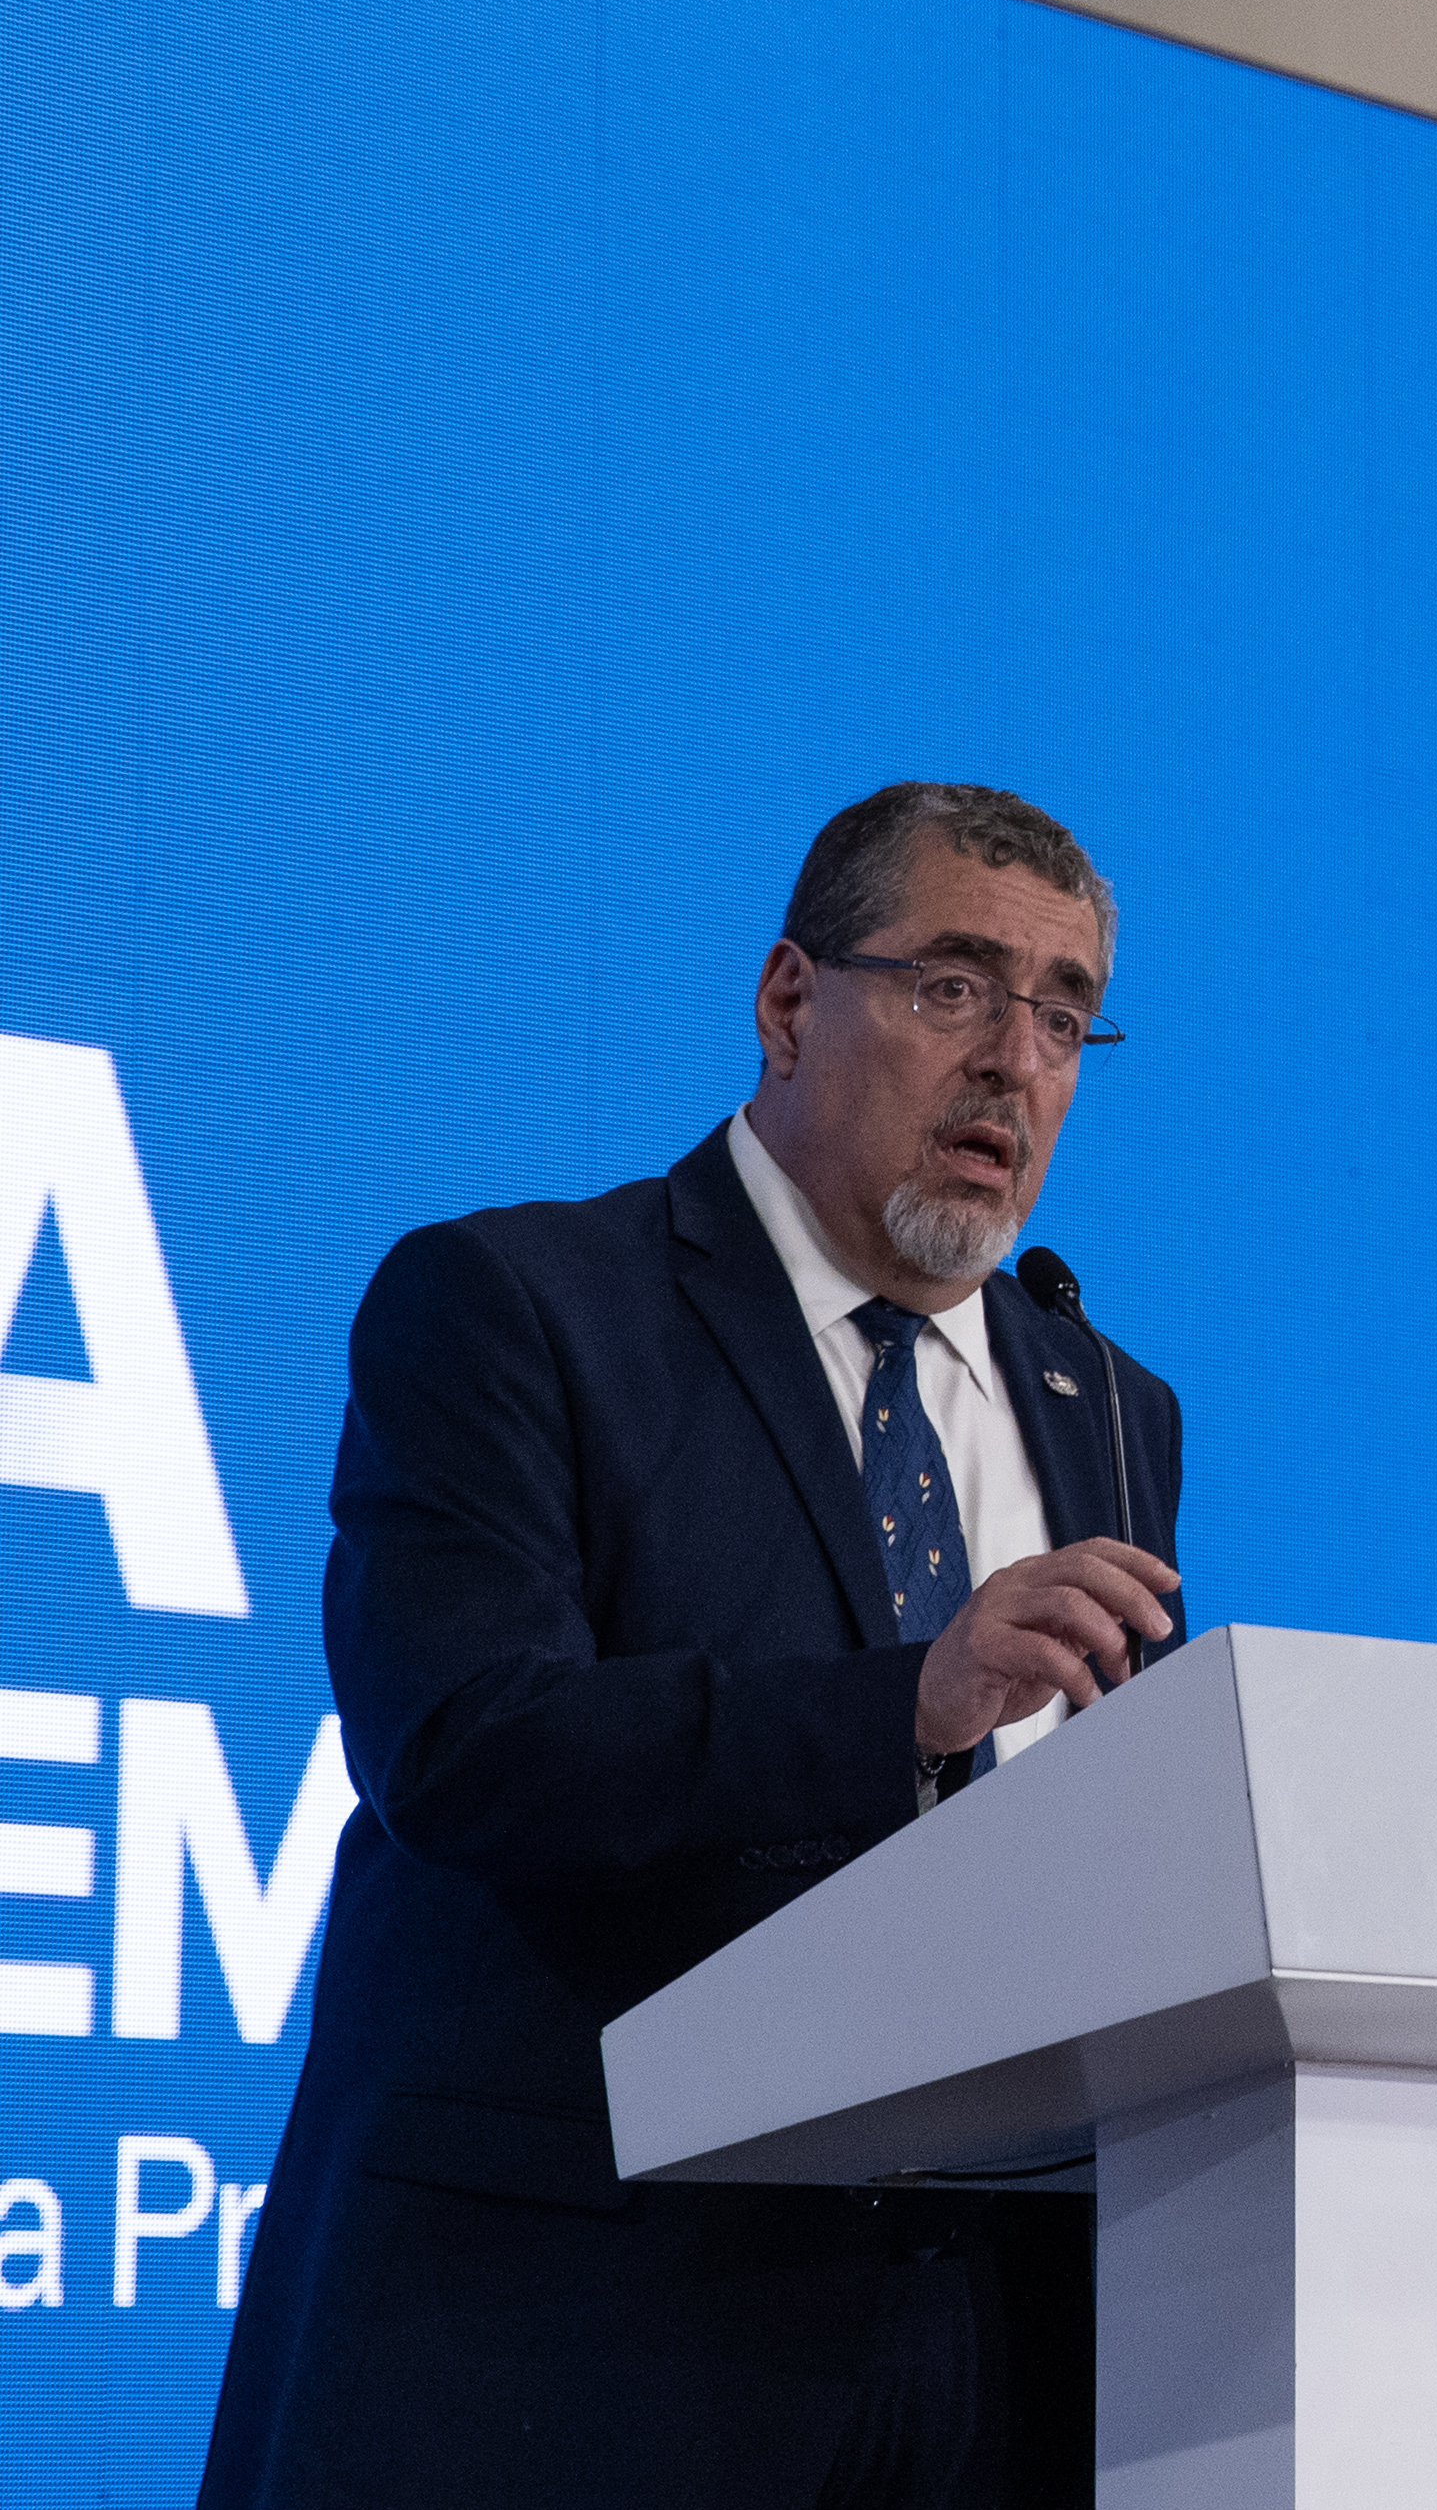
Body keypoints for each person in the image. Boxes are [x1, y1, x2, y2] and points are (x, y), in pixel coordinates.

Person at [200, 783, 1189, 2510]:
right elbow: (467, 1742)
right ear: (791, 1000)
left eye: (1059, 1011)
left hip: (992, 2339)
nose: (1012, 1062)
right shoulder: (518, 1306)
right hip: (583, 2330)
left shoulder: (1102, 1399)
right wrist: (913, 1701)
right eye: (954, 986)